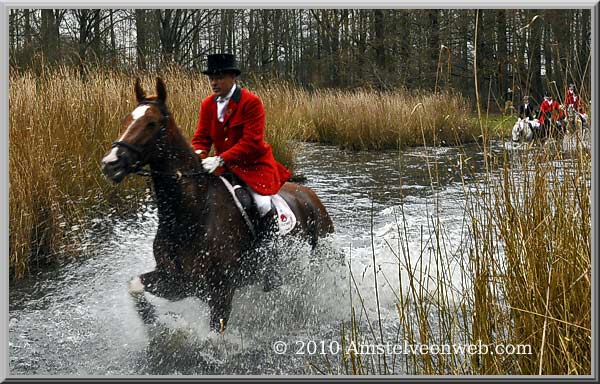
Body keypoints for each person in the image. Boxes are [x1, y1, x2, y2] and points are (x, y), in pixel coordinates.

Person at [192, 53, 289, 290]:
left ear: (232, 77)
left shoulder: (251, 102)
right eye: (211, 78)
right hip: (223, 169)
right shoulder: (207, 105)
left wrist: (221, 158)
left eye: (219, 77)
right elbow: (201, 138)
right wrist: (198, 157)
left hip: (254, 167)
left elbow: (252, 142)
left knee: (263, 204)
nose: (214, 82)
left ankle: (271, 264)